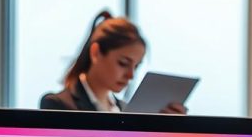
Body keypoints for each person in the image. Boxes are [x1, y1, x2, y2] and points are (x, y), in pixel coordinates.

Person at [40, 10, 187, 114]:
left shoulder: (126, 110)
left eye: (136, 66)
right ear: (96, 53)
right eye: (123, 63)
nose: (131, 75)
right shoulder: (57, 105)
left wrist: (165, 131)